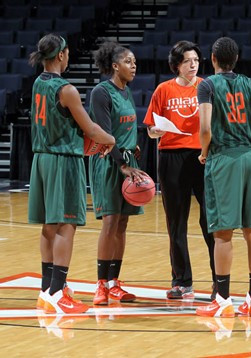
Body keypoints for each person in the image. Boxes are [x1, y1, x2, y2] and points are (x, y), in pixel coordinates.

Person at [195, 37, 251, 318]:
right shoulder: (250, 83)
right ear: (236, 59)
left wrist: (204, 151)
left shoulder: (207, 85)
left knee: (223, 234)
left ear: (212, 59)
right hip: (250, 158)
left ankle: (222, 300)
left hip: (224, 158)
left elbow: (206, 128)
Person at [28, 34, 115, 314]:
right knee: (66, 225)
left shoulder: (38, 83)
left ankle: (47, 288)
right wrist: (111, 140)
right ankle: (57, 292)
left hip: (40, 159)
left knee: (49, 225)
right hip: (63, 160)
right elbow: (90, 128)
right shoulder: (66, 89)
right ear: (62, 55)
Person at [143, 41, 216, 300]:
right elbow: (150, 129)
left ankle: (220, 282)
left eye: (195, 60)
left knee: (211, 221)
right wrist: (156, 131)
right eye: (187, 61)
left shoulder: (207, 86)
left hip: (202, 157)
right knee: (176, 222)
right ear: (177, 65)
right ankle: (182, 282)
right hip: (170, 157)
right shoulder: (163, 90)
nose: (193, 65)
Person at [89, 41, 148, 305]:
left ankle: (115, 282)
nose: (133, 66)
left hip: (126, 161)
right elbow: (103, 134)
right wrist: (122, 165)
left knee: (122, 224)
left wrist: (132, 149)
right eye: (128, 62)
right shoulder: (102, 92)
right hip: (108, 163)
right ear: (115, 66)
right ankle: (100, 284)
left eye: (134, 62)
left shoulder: (127, 92)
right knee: (111, 222)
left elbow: (124, 129)